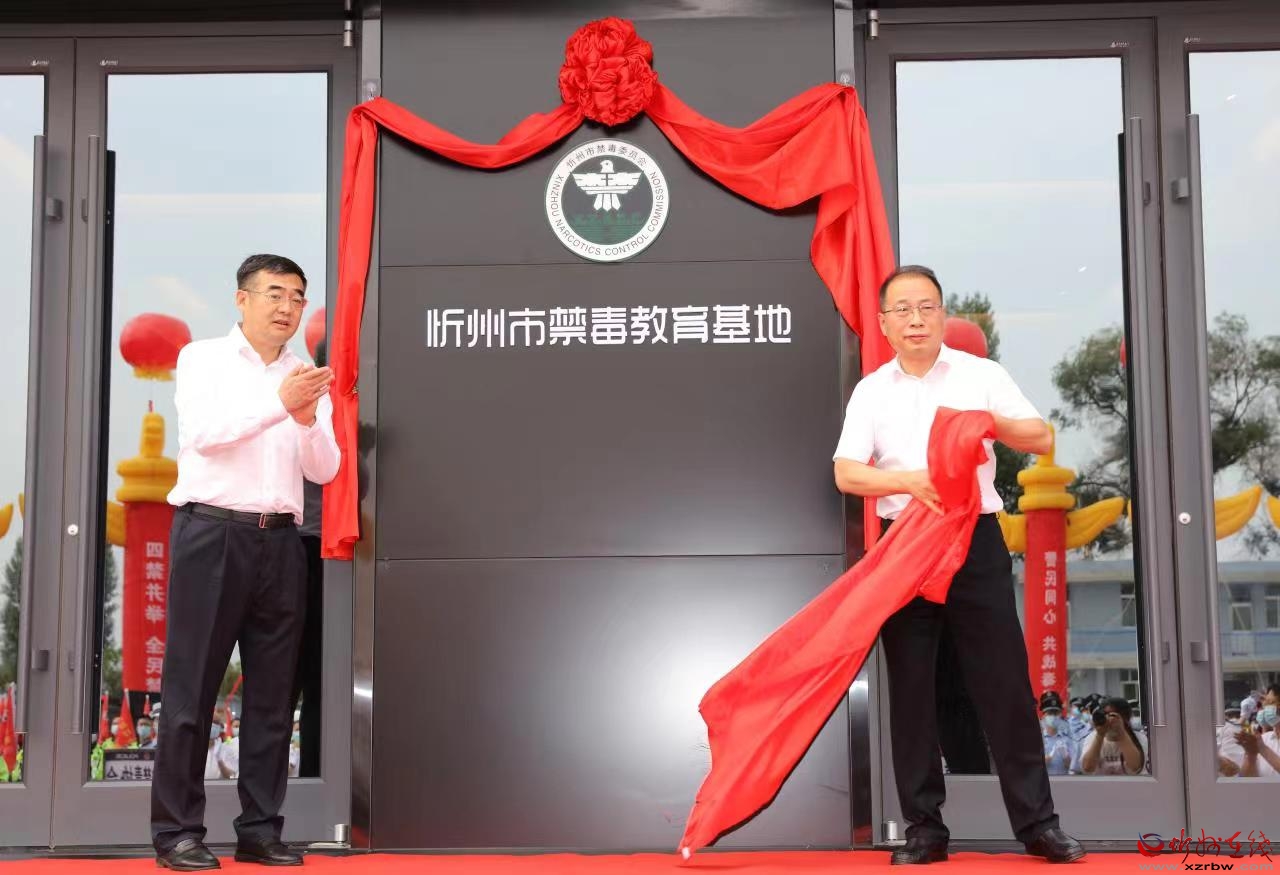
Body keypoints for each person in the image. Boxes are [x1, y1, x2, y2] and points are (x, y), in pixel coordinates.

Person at [832, 265, 1084, 865]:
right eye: (902, 310)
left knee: (1004, 684)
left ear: (943, 315)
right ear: (884, 324)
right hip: (905, 543)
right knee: (912, 690)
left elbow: (1040, 436)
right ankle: (925, 829)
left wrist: (983, 423)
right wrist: (907, 481)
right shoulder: (872, 390)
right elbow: (846, 472)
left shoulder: (981, 375)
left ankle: (1039, 825)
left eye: (927, 307)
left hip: (975, 539)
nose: (915, 319)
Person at [149, 254, 340, 871]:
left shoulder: (304, 373)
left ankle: (260, 829)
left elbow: (325, 469)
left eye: (297, 298)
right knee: (191, 691)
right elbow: (205, 434)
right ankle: (178, 832)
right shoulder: (202, 359)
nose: (287, 308)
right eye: (275, 294)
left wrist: (307, 421)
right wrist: (280, 404)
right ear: (242, 299)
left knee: (273, 697)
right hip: (212, 534)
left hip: (282, 542)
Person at [1079, 697, 1146, 776]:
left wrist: (1121, 734)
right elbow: (1087, 768)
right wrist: (1100, 735)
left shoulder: (1140, 738)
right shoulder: (1092, 737)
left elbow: (1135, 767)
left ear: (1126, 718)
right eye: (1105, 715)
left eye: (1112, 715)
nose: (1108, 719)